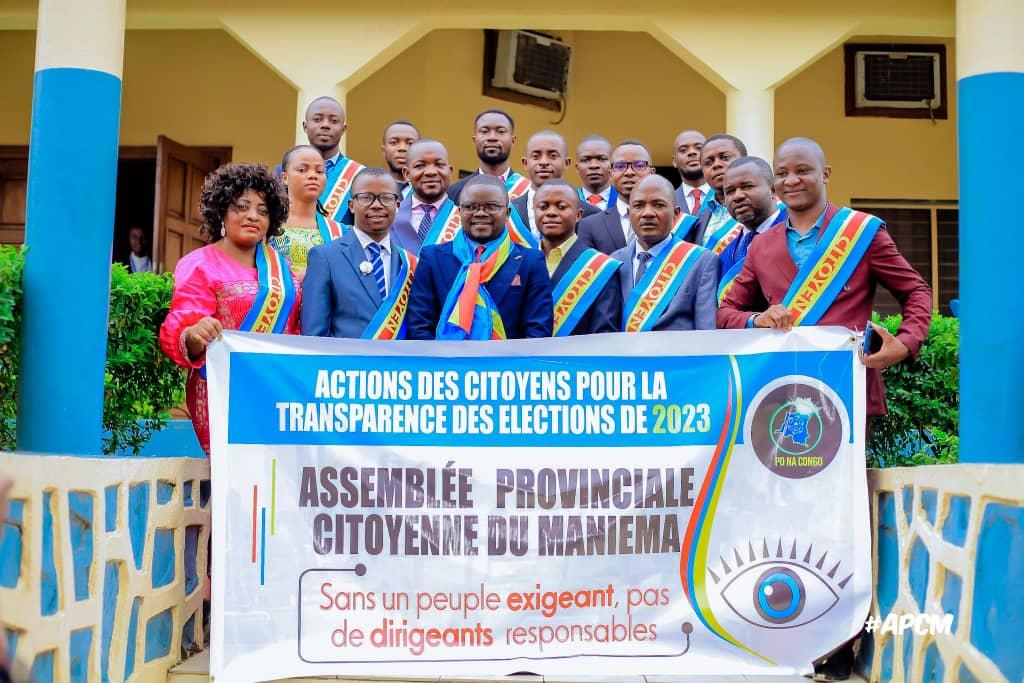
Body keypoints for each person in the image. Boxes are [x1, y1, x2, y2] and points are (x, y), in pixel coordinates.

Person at [718, 138, 932, 417]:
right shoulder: (761, 245)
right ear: (774, 185)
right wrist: (756, 319)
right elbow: (724, 313)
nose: (791, 180)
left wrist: (905, 342)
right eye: (782, 174)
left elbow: (916, 290)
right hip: (780, 387)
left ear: (825, 173)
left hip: (848, 385)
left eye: (803, 170)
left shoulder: (860, 232)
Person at [159, 164, 299, 455]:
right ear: (222, 211)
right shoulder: (199, 263)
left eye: (262, 210)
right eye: (242, 207)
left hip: (275, 392)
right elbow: (184, 323)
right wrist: (195, 335)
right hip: (221, 392)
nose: (253, 216)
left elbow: (295, 330)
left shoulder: (281, 268)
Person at [407, 174, 553, 339]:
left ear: (507, 213)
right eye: (471, 207)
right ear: (460, 212)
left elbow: (538, 331)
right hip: (446, 363)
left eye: (491, 206)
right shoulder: (432, 258)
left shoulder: (531, 261)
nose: (481, 213)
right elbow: (419, 326)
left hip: (507, 363)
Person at [301, 168, 417, 340]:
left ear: (397, 205)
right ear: (351, 205)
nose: (377, 205)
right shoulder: (325, 257)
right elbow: (314, 334)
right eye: (366, 197)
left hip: (397, 365)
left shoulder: (409, 262)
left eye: (386, 198)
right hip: (344, 365)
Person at [612, 175, 719, 332]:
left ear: (676, 214)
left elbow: (706, 330)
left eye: (658, 205)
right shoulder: (614, 261)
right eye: (638, 206)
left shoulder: (701, 261)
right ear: (629, 213)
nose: (647, 213)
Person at [536, 179, 621, 336]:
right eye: (543, 207)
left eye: (561, 207)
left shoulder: (600, 268)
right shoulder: (520, 261)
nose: (551, 212)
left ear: (578, 215)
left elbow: (604, 334)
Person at [717, 156, 786, 303]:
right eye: (729, 191)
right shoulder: (725, 254)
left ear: (773, 190)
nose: (738, 196)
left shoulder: (795, 234)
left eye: (747, 186)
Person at [269, 144, 345, 276]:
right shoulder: (267, 225)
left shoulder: (341, 232)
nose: (313, 176)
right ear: (284, 177)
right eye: (302, 170)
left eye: (319, 171)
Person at [512, 130, 599, 238]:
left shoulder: (592, 215)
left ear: (566, 163)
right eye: (536, 156)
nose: (544, 162)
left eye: (552, 156)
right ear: (525, 163)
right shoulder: (509, 213)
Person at [577, 140, 653, 254]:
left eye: (639, 165)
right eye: (620, 166)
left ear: (652, 172)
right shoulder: (589, 225)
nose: (629, 172)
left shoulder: (672, 220)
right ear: (610, 174)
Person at [390, 139, 462, 255]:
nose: (430, 172)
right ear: (407, 174)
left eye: (439, 164)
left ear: (450, 171)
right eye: (420, 166)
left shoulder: (463, 219)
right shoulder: (390, 217)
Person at [301, 96, 365, 223]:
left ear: (343, 129)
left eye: (334, 121)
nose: (325, 125)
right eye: (317, 119)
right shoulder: (285, 170)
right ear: (305, 126)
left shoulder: (360, 175)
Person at [446, 109, 529, 204]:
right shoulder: (454, 193)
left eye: (501, 131)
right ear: (475, 140)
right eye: (484, 131)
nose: (492, 137)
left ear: (513, 140)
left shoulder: (528, 192)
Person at [679, 134, 748, 248]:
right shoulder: (699, 219)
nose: (716, 165)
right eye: (709, 162)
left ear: (744, 161)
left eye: (725, 157)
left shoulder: (766, 207)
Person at [671, 130, 712, 215]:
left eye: (699, 148)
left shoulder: (725, 197)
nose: (692, 152)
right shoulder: (668, 201)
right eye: (683, 150)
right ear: (674, 161)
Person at [575, 134, 617, 210]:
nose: (593, 165)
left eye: (601, 159)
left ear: (612, 165)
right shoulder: (569, 200)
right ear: (577, 168)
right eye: (585, 160)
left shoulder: (624, 200)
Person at [381, 120, 420, 200]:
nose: (402, 148)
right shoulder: (371, 187)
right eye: (394, 142)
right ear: (383, 151)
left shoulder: (430, 190)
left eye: (410, 143)